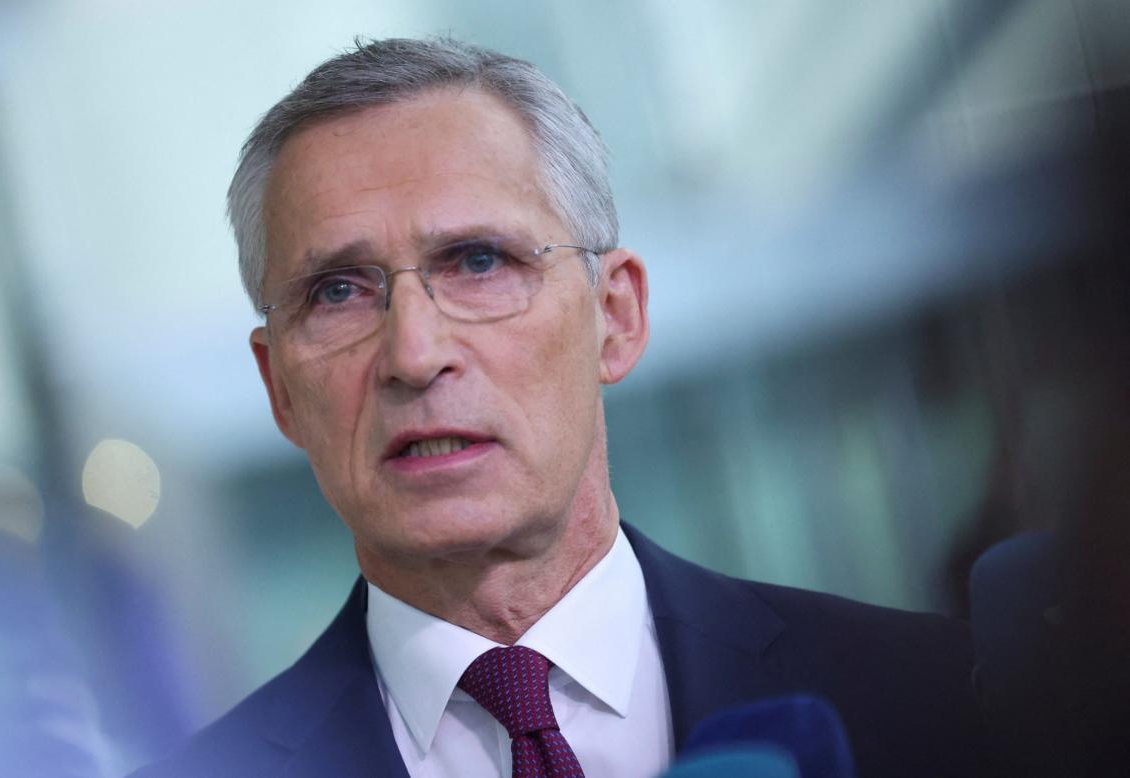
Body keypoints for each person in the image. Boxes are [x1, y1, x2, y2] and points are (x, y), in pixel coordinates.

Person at [134, 37, 984, 777]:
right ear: (279, 385)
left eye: (476, 262)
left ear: (615, 316)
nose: (414, 353)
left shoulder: (944, 695)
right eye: (338, 291)